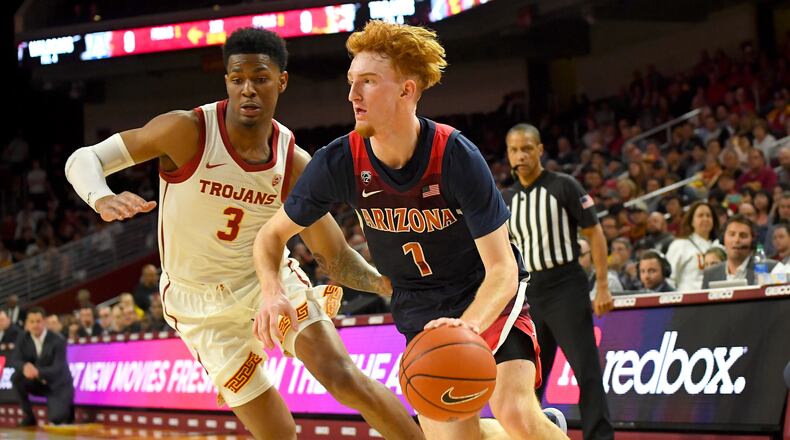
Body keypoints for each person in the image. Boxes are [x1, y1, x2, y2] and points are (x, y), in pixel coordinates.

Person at [65, 27, 422, 440]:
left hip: (267, 283)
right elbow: (85, 158)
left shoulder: (292, 162)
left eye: (260, 78)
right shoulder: (186, 131)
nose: (248, 89)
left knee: (343, 377)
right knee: (277, 432)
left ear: (281, 81)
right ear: (227, 82)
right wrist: (99, 197)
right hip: (197, 304)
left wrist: (388, 285)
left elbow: (335, 256)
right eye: (238, 80)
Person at [254, 21, 568, 439]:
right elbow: (270, 236)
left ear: (407, 90)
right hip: (419, 308)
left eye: (367, 82)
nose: (352, 95)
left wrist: (467, 327)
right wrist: (272, 292)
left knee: (513, 410)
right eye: (351, 82)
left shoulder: (455, 154)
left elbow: (503, 270)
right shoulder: (340, 161)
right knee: (457, 436)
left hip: (483, 296)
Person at [504, 124, 614, 440]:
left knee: (586, 371)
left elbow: (595, 233)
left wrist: (603, 285)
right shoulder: (506, 198)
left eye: (527, 148)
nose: (520, 155)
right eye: (514, 149)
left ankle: (600, 437)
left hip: (566, 286)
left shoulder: (564, 186)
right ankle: (533, 434)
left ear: (540, 150)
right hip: (528, 293)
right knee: (529, 378)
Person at [10, 307, 74, 426]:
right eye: (32, 321)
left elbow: (58, 368)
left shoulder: (57, 340)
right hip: (38, 383)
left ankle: (67, 410)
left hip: (58, 385)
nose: (35, 325)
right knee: (16, 377)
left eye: (38, 321)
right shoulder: (23, 337)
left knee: (56, 419)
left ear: (44, 322)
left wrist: (37, 371)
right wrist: (25, 367)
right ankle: (28, 415)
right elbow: (14, 359)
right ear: (27, 323)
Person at [702, 215, 778, 288]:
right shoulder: (710, 274)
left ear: (753, 241)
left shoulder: (771, 269)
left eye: (743, 235)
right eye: (732, 234)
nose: (736, 240)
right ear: (723, 239)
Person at [665, 202, 719, 291]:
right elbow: (669, 278)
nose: (705, 219)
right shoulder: (680, 244)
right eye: (700, 215)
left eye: (708, 215)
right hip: (688, 300)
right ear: (692, 222)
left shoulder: (719, 246)